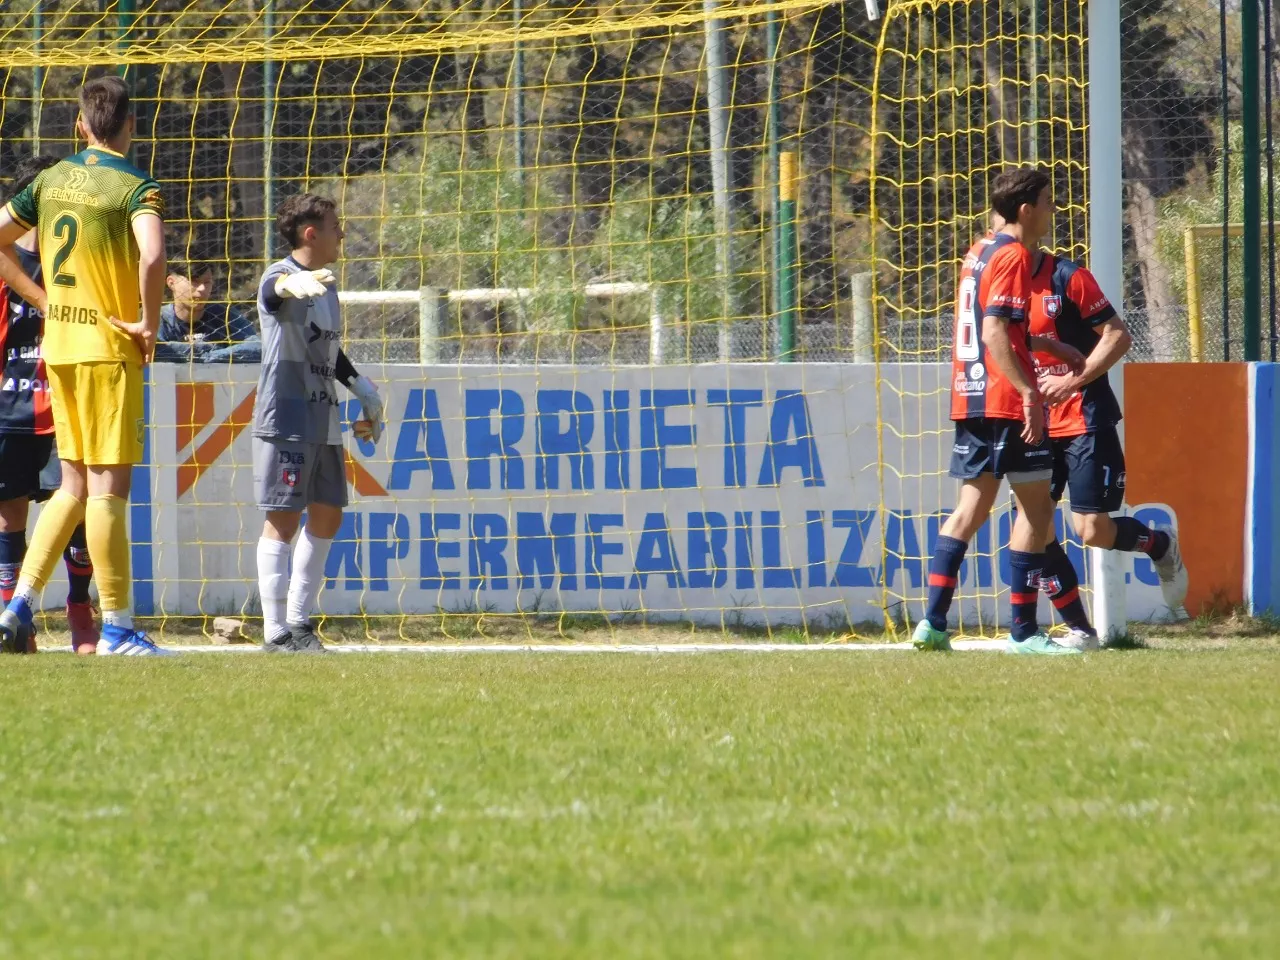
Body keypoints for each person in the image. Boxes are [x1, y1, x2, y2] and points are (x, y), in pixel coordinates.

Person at [0, 75, 171, 656]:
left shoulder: (48, 181)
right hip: (107, 348)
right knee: (107, 490)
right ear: (129, 126)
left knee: (71, 485)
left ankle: (17, 606)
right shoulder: (135, 186)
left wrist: (40, 298)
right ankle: (120, 627)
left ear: (79, 125)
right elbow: (152, 254)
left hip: (61, 348)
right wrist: (148, 322)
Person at [913, 166, 1085, 655]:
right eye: (1049, 202)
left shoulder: (979, 251)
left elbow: (999, 326)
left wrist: (1046, 342)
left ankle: (932, 624)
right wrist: (1030, 394)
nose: (1054, 211)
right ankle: (1025, 632)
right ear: (1026, 210)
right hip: (1006, 402)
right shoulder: (1012, 255)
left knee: (969, 511)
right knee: (1035, 512)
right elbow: (993, 333)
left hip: (970, 396)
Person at [1027, 250, 1189, 649]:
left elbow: (1118, 336)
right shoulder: (1001, 284)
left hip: (1086, 419)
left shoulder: (1069, 278)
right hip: (1036, 424)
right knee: (1033, 528)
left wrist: (1070, 382)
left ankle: (1159, 544)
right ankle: (1081, 630)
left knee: (1092, 530)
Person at [252, 193, 385, 653]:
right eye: (335, 226)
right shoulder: (281, 273)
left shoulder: (326, 283)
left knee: (327, 515)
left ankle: (299, 623)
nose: (342, 234)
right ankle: (275, 632)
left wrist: (363, 390)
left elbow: (329, 348)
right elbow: (272, 293)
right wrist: (288, 287)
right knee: (283, 522)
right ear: (311, 233)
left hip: (323, 416)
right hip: (286, 416)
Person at [0, 156, 98, 655]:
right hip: (11, 404)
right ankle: (15, 622)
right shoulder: (6, 262)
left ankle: (81, 611)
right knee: (9, 513)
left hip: (68, 401)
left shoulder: (76, 260)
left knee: (78, 505)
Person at [155, 259, 261, 363]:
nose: (202, 288)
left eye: (207, 282)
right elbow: (155, 350)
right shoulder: (157, 318)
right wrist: (213, 349)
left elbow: (257, 346)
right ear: (171, 283)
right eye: (194, 281)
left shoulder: (225, 313)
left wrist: (208, 356)